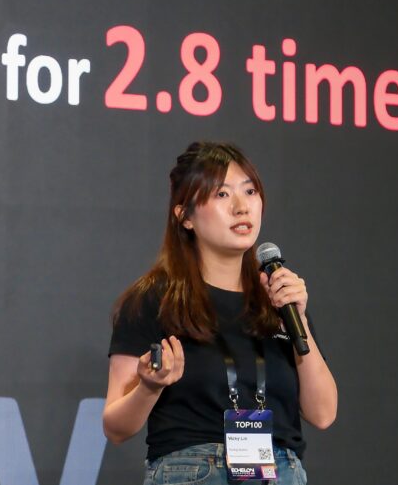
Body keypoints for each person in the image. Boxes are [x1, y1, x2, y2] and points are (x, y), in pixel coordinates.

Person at [103, 142, 337, 484]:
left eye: (250, 191)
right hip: (194, 470)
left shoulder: (278, 297)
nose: (242, 207)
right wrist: (149, 387)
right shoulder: (154, 298)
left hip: (278, 472)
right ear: (185, 216)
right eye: (222, 194)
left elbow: (323, 413)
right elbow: (115, 427)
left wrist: (297, 318)